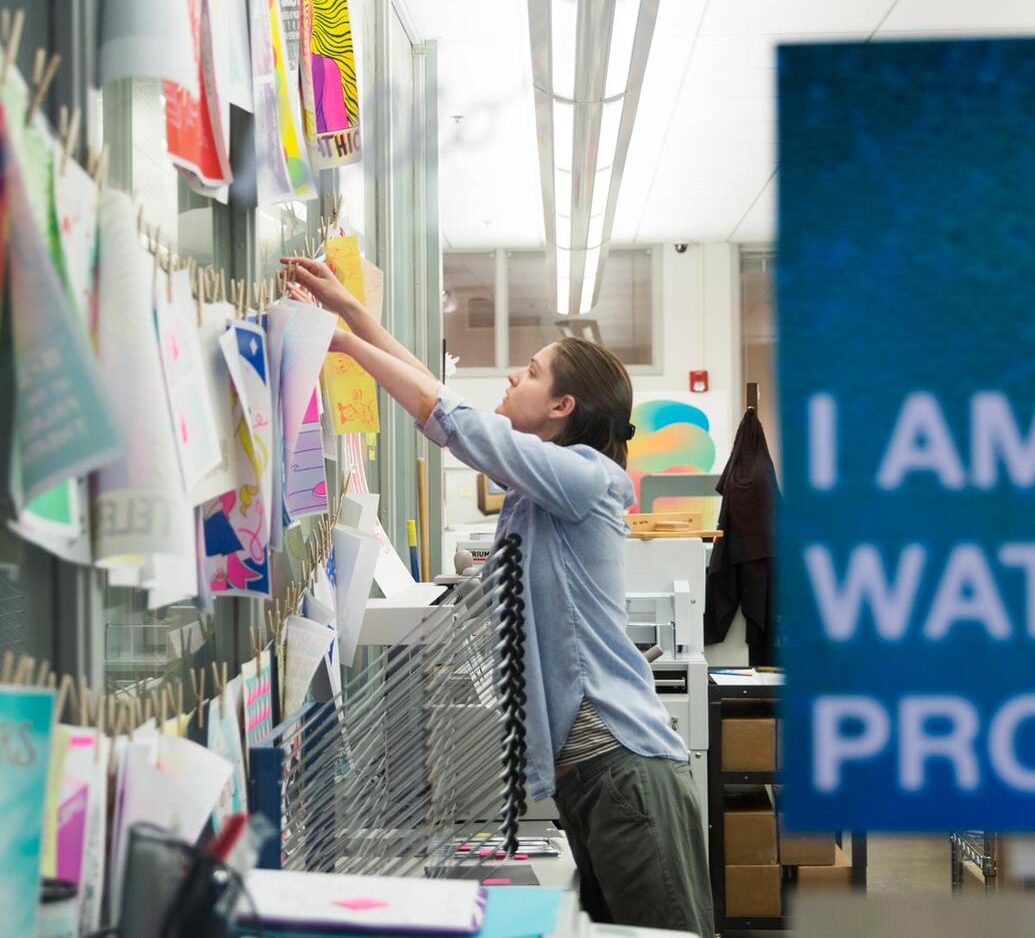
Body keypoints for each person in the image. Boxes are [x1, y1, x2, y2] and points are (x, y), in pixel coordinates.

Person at [283, 256, 715, 936]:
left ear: (562, 407)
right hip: (593, 780)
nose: (514, 376)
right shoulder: (538, 486)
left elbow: (448, 416)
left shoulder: (585, 477)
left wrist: (339, 342)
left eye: (533, 371)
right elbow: (436, 400)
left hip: (626, 774)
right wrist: (353, 313)